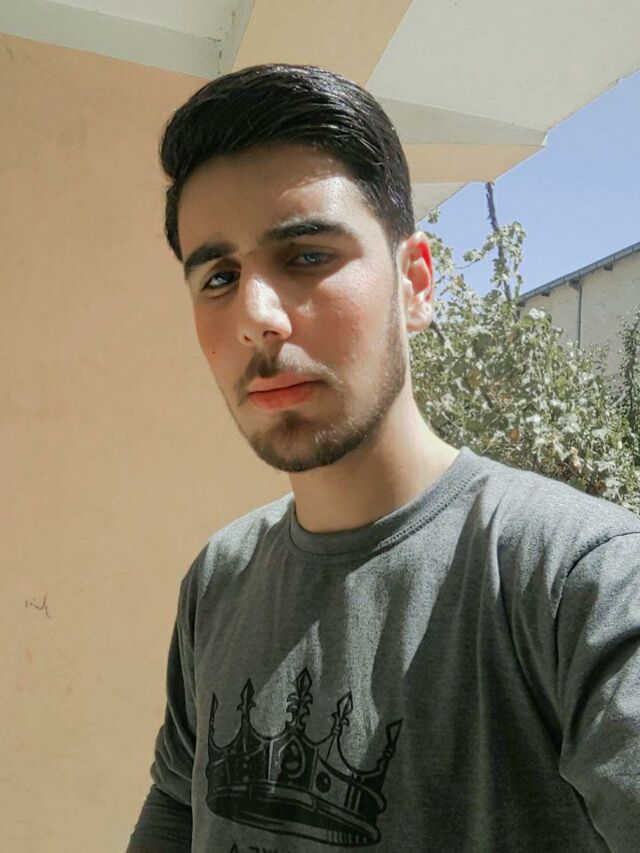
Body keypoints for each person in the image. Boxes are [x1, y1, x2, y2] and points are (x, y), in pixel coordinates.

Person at [126, 64, 640, 853]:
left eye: (306, 256)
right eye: (219, 276)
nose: (256, 316)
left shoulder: (581, 579)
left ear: (415, 283)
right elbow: (175, 801)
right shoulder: (219, 578)